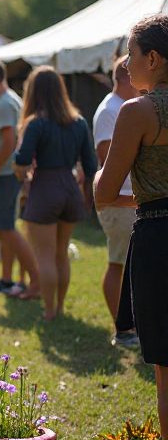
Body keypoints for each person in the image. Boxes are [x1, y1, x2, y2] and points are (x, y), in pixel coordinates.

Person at [96, 15, 168, 438]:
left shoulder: (138, 111)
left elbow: (105, 192)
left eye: (132, 53)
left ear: (153, 59)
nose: (126, 63)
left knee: (166, 370)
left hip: (159, 237)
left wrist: (97, 177)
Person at [13, 66, 97, 321]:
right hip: (70, 189)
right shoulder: (79, 122)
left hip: (44, 188)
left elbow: (21, 159)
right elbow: (90, 165)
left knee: (45, 256)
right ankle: (59, 306)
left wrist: (22, 176)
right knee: (61, 254)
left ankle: (49, 312)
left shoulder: (35, 123)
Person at [0, 61, 39, 299]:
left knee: (7, 229)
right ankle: (6, 279)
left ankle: (35, 280)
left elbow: (9, 141)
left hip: (4, 175)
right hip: (6, 174)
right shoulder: (8, 100)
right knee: (3, 229)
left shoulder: (4, 103)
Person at [93, 56, 140, 348]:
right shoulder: (111, 110)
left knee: (123, 263)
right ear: (126, 77)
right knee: (117, 262)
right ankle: (123, 328)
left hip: (125, 199)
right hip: (118, 200)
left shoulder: (118, 107)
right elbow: (106, 157)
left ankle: (128, 325)